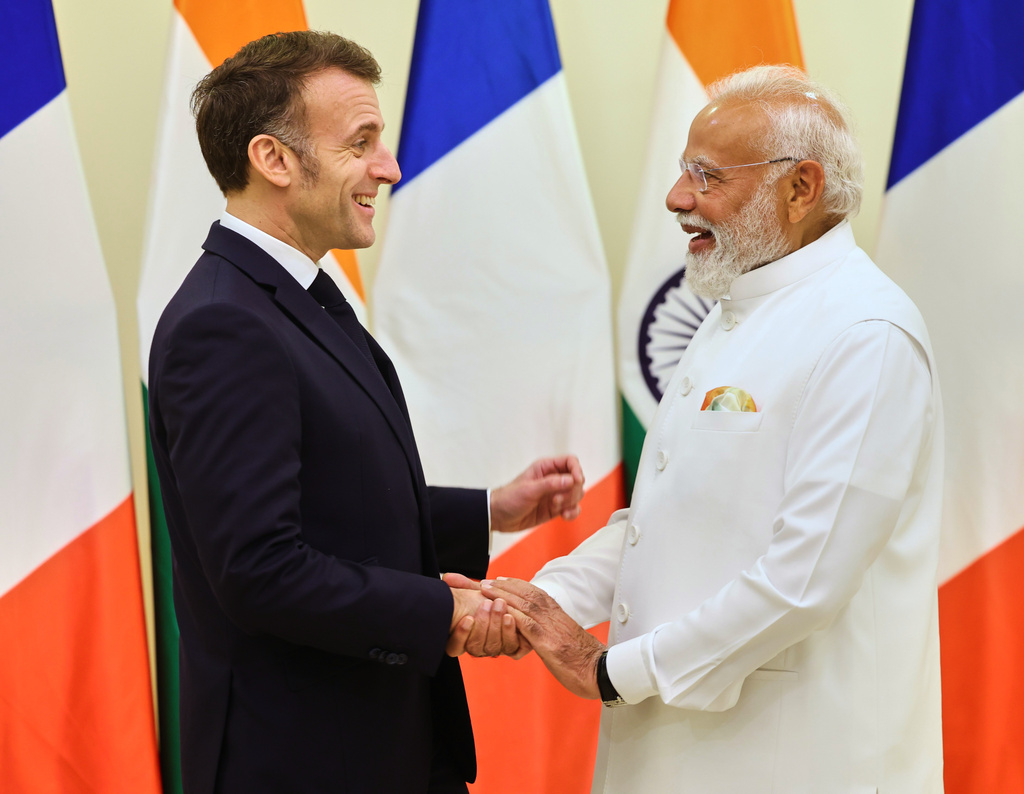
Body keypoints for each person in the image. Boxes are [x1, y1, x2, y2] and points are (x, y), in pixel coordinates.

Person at [467, 65, 945, 792]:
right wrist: (536, 598)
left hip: (795, 761)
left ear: (801, 188)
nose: (676, 198)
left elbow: (805, 578)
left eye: (707, 176)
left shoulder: (865, 332)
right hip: (675, 752)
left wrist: (608, 671)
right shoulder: (736, 306)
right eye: (682, 170)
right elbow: (670, 519)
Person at [147, 31, 581, 794]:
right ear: (273, 159)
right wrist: (441, 612)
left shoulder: (288, 296)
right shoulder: (225, 324)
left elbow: (329, 503)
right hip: (305, 760)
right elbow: (258, 569)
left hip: (379, 745)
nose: (389, 167)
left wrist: (489, 511)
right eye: (361, 142)